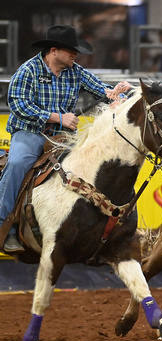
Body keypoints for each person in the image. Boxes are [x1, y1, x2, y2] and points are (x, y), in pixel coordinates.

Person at [0, 25, 115, 254]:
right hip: (30, 132)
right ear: (54, 50)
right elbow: (18, 104)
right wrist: (57, 117)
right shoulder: (28, 70)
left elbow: (100, 88)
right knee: (17, 164)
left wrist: (115, 94)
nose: (75, 55)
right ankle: (4, 226)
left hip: (62, 137)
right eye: (71, 51)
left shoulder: (76, 71)